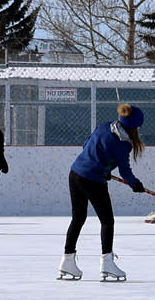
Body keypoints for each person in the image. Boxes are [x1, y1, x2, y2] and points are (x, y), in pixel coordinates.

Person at [59, 104, 146, 281]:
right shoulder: (123, 144)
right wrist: (135, 184)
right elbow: (125, 171)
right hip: (91, 180)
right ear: (134, 127)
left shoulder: (105, 126)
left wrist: (103, 167)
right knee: (107, 221)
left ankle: (67, 261)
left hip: (75, 173)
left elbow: (87, 145)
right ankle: (107, 263)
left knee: (78, 218)